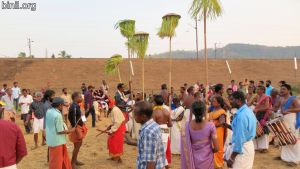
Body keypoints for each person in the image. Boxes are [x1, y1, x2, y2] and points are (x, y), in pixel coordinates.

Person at [181, 101, 219, 169]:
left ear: (192, 111)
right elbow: (216, 148)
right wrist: (209, 150)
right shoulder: (211, 125)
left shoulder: (187, 125)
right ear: (205, 111)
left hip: (192, 159)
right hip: (207, 159)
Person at [225, 91, 256, 169]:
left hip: (241, 150)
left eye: (232, 100)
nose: (230, 102)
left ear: (238, 100)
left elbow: (240, 138)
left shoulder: (241, 116)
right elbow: (243, 131)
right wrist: (228, 126)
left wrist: (232, 158)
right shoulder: (248, 111)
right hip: (248, 146)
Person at [134, 101, 166, 169]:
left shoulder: (147, 132)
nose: (134, 116)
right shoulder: (154, 125)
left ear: (143, 116)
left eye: (135, 114)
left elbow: (150, 162)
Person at [276, 84, 300, 166]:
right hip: (284, 120)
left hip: (292, 120)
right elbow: (276, 108)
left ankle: (295, 160)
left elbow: (299, 108)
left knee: (292, 138)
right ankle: (284, 156)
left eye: (284, 89)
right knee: (284, 137)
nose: (281, 90)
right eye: (281, 89)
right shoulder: (281, 99)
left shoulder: (293, 99)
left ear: (289, 90)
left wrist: (289, 110)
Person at [46, 97, 74, 169]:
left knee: (61, 159)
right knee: (56, 161)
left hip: (52, 139)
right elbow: (60, 131)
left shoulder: (49, 111)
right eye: (63, 105)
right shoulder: (57, 115)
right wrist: (70, 131)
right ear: (60, 105)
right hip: (57, 141)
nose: (63, 106)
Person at [68, 92, 88, 169]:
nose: (82, 98)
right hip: (76, 128)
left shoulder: (76, 105)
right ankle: (72, 163)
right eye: (80, 97)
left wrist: (84, 114)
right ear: (75, 98)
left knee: (79, 145)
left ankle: (75, 160)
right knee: (77, 146)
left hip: (79, 127)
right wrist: (76, 130)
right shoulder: (74, 106)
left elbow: (79, 116)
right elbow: (71, 119)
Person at [152, 95, 172, 168]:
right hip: (165, 132)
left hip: (157, 131)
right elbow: (170, 124)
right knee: (163, 151)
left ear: (155, 102)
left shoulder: (154, 112)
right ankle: (165, 164)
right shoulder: (166, 111)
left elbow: (152, 125)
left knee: (157, 152)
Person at [209, 96, 227, 169]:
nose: (212, 102)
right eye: (212, 101)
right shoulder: (212, 111)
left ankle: (218, 164)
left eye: (214, 101)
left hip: (218, 132)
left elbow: (222, 123)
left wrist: (212, 125)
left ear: (219, 103)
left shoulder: (222, 112)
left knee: (218, 148)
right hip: (211, 132)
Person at [253, 86, 272, 153]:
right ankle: (259, 147)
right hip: (258, 114)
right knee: (258, 130)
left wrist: (257, 109)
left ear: (262, 90)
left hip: (264, 115)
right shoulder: (258, 97)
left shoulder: (266, 97)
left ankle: (265, 147)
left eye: (258, 89)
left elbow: (267, 107)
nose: (257, 90)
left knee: (264, 130)